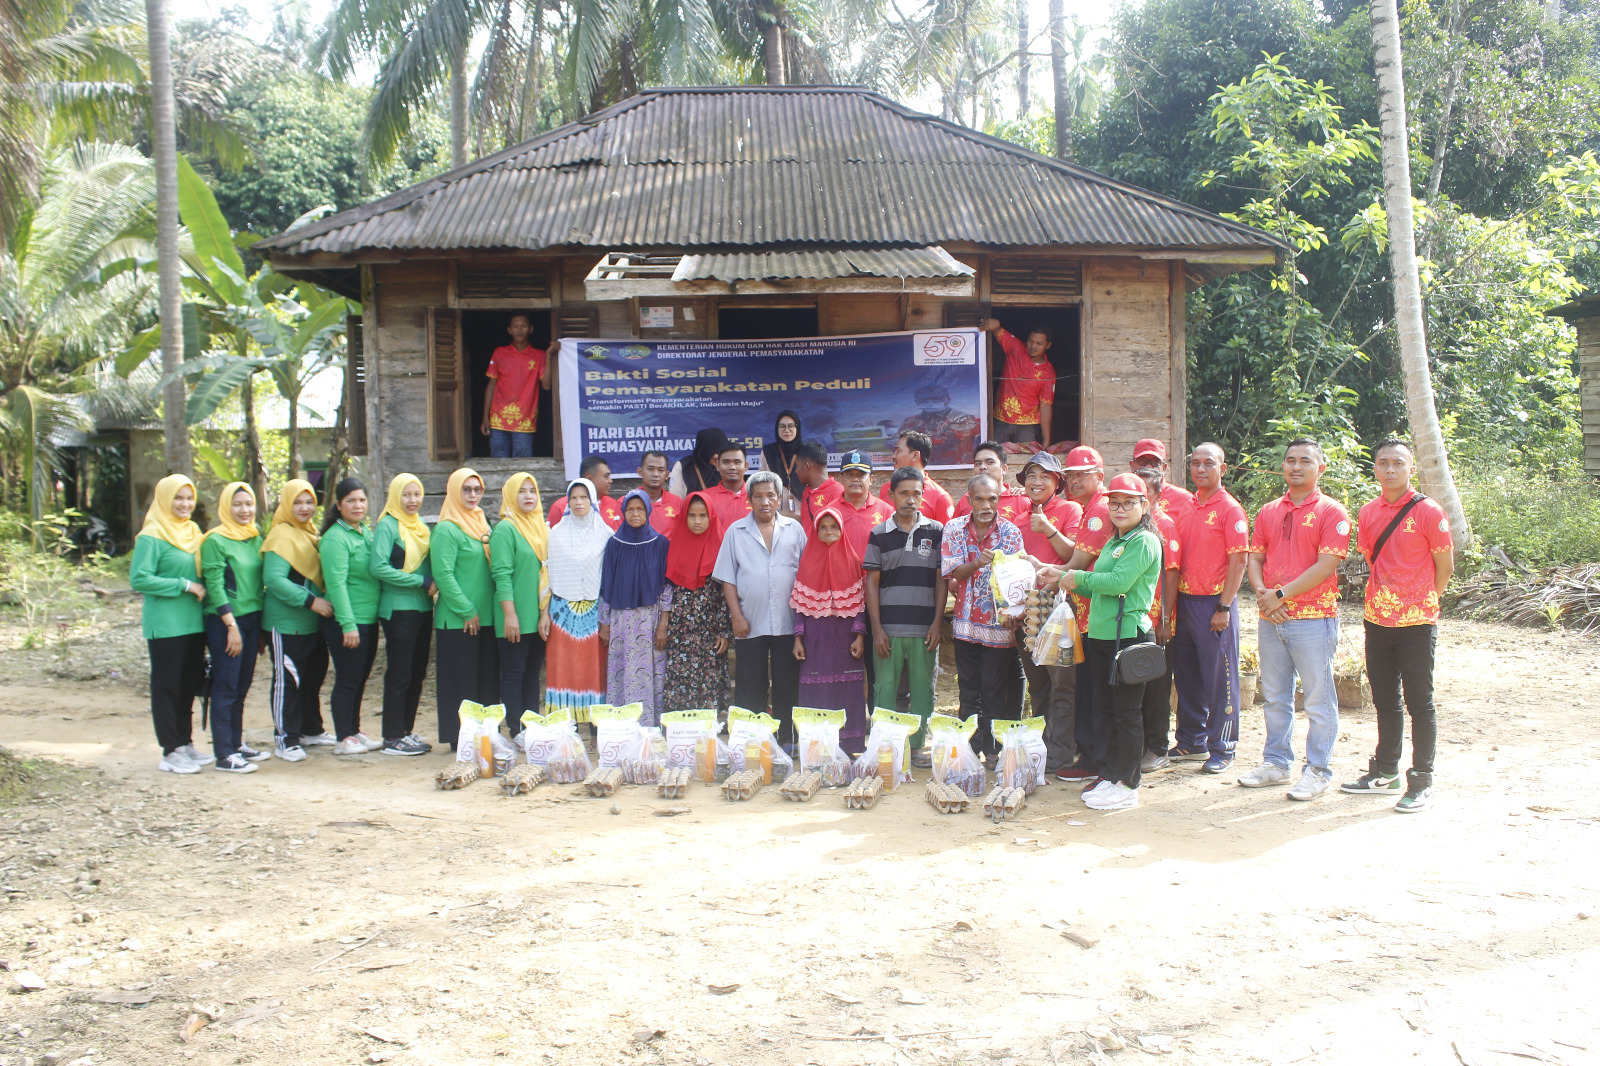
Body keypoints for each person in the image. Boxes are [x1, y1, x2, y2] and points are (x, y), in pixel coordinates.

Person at [1341, 438, 1454, 813]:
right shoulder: (1368, 512)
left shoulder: (1429, 511)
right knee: (1385, 699)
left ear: (1411, 469)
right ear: (1375, 468)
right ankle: (1386, 772)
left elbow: (1445, 567)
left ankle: (1421, 780)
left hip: (1417, 622)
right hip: (1377, 619)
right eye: (1383, 463)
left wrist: (1420, 601)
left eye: (1398, 463)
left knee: (1420, 702)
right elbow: (1373, 559)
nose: (1390, 469)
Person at [1240, 439, 1352, 800]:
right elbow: (1255, 558)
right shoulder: (1269, 511)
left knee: (1318, 700)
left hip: (1314, 619)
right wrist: (1264, 595)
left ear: (1321, 468)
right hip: (1272, 619)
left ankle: (1318, 771)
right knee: (1275, 697)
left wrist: (1279, 595)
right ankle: (1276, 763)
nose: (1296, 466)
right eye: (1290, 460)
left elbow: (1326, 565)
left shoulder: (1332, 512)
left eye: (1305, 460)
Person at [1058, 473, 1164, 811]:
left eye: (1128, 503)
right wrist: (1061, 578)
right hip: (1103, 636)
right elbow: (1096, 589)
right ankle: (1111, 774)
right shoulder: (1115, 541)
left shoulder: (1144, 541)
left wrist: (1078, 576)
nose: (1120, 509)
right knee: (1107, 710)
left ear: (1143, 506)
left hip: (1128, 636)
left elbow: (1118, 582)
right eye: (1115, 503)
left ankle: (1129, 784)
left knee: (1128, 713)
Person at [1169, 443, 1248, 774]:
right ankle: (1192, 739)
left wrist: (1224, 607)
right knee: (1187, 675)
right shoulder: (1188, 505)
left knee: (1220, 680)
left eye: (1209, 464)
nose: (1200, 469)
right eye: (1195, 463)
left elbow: (1239, 561)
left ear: (1222, 469)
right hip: (1185, 601)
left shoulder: (1230, 510)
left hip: (1214, 604)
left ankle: (1223, 747)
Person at [713, 470, 807, 746]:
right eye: (758, 497)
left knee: (786, 684)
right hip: (749, 622)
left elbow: (806, 574)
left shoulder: (794, 530)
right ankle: (750, 742)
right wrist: (736, 616)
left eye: (770, 496)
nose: (765, 502)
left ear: (779, 499)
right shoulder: (736, 532)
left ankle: (786, 741)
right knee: (750, 684)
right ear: (749, 500)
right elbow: (728, 578)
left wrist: (802, 625)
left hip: (788, 622)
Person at [864, 467, 945, 764]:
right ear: (891, 495)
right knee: (884, 689)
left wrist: (937, 623)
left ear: (923, 496)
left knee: (923, 690)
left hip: (925, 630)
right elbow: (871, 584)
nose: (910, 499)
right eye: (904, 493)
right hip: (889, 629)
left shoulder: (936, 531)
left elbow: (941, 580)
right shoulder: (879, 534)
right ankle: (885, 748)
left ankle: (917, 747)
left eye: (916, 494)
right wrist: (877, 629)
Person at [131, 474, 211, 774]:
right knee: (168, 686)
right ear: (165, 499)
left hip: (193, 622)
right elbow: (139, 578)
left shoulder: (194, 531)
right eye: (178, 497)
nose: (184, 504)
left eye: (189, 498)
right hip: (166, 624)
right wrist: (183, 585)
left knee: (188, 684)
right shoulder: (152, 534)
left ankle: (185, 743)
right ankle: (170, 750)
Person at [940, 474, 1025, 757]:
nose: (986, 505)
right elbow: (953, 571)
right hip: (965, 625)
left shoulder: (1011, 532)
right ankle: (968, 749)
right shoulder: (954, 529)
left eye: (992, 499)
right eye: (979, 499)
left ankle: (992, 750)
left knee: (994, 690)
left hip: (998, 627)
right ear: (969, 500)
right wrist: (977, 563)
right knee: (968, 690)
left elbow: (1017, 580)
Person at [1012, 452, 1081, 774]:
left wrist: (1049, 528)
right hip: (1027, 613)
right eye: (1031, 475)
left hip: (1059, 611)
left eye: (1045, 476)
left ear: (1057, 482)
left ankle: (1062, 753)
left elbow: (1075, 556)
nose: (1037, 482)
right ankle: (1042, 748)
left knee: (1062, 685)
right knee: (1038, 684)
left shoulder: (1070, 510)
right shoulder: (1017, 518)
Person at [261, 479, 335, 762]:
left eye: (309, 502)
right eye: (297, 503)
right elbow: (274, 579)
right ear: (285, 505)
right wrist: (311, 601)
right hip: (287, 623)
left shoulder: (309, 533)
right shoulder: (281, 536)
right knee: (288, 680)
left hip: (312, 624)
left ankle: (310, 730)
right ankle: (286, 739)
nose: (304, 508)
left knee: (312, 677)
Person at [1053, 445, 1114, 784]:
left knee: (1093, 691)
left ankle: (1093, 760)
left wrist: (1045, 571)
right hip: (1092, 612)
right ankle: (1093, 757)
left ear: (1099, 476)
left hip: (1096, 613)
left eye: (1082, 474)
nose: (1074, 480)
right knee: (1092, 689)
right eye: (1070, 475)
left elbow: (1077, 564)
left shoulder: (1097, 512)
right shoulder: (1092, 507)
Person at [198, 482, 267, 773]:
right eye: (237, 504)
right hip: (225, 622)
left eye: (248, 504)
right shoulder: (215, 540)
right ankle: (224, 754)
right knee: (225, 685)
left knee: (242, 685)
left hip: (252, 620)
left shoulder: (254, 536)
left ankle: (236, 743)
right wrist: (231, 625)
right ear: (226, 507)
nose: (244, 510)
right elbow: (214, 585)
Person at [791, 508, 869, 752]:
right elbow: (799, 607)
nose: (829, 531)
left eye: (834, 526)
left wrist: (859, 636)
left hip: (845, 641)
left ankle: (848, 745)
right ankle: (816, 747)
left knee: (847, 688)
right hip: (815, 641)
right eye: (823, 527)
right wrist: (798, 639)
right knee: (816, 688)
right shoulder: (807, 562)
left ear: (842, 530)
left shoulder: (853, 561)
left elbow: (860, 604)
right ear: (815, 531)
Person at [432, 468, 500, 747]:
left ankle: (485, 737)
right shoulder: (446, 529)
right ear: (454, 490)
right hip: (458, 619)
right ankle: (459, 739)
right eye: (466, 489)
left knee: (485, 681)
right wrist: (466, 610)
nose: (473, 495)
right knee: (460, 682)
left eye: (477, 489)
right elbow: (443, 575)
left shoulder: (483, 523)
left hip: (486, 617)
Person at [317, 478, 382, 756]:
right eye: (351, 500)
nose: (358, 505)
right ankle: (343, 737)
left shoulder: (364, 532)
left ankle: (354, 730)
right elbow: (336, 585)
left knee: (360, 677)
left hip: (367, 618)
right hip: (347, 621)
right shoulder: (335, 538)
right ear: (338, 505)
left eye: (362, 500)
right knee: (347, 679)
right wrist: (347, 624)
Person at [371, 474, 434, 756]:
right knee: (400, 673)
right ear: (396, 496)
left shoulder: (420, 526)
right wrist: (419, 581)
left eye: (416, 494)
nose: (412, 500)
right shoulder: (387, 525)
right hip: (398, 609)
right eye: (406, 495)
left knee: (417, 672)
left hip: (422, 608)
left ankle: (406, 731)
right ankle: (392, 736)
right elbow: (378, 567)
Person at [599, 490, 673, 726]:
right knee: (622, 671)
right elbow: (606, 585)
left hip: (650, 622)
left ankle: (650, 728)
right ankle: (622, 728)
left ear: (648, 511)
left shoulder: (660, 544)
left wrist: (663, 624)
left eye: (640, 509)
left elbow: (666, 587)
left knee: (650, 673)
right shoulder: (614, 544)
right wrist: (604, 623)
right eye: (630, 509)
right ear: (623, 513)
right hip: (621, 621)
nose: (635, 514)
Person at [545, 477, 613, 722]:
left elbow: (610, 579)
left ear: (593, 499)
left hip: (596, 613)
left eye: (584, 497)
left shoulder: (606, 534)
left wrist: (607, 618)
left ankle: (596, 729)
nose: (578, 502)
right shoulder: (556, 534)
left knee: (594, 669)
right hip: (562, 613)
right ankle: (565, 729)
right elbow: (549, 576)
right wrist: (544, 613)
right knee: (563, 669)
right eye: (573, 497)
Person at [662, 492, 733, 714]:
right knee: (680, 677)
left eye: (703, 515)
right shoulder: (674, 545)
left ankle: (708, 729)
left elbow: (726, 593)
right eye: (692, 515)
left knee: (708, 679)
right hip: (680, 629)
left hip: (710, 628)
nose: (697, 521)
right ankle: (682, 729)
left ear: (711, 517)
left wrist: (724, 631)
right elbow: (667, 590)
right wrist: (664, 623)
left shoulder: (722, 548)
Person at [491, 472, 551, 730]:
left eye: (532, 491)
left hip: (538, 615)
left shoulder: (541, 528)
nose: (529, 496)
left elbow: (548, 572)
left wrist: (545, 613)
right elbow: (501, 575)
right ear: (510, 495)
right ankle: (516, 729)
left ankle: (531, 726)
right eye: (522, 491)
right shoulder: (506, 529)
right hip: (514, 614)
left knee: (532, 674)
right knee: (514, 673)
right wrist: (510, 614)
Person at [1134, 466, 1183, 774]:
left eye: (1144, 493)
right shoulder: (1129, 527)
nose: (1138, 499)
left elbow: (1172, 575)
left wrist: (1164, 619)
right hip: (1134, 620)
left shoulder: (1164, 525)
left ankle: (1158, 747)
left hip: (1156, 622)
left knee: (1156, 689)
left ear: (1156, 495)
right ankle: (1138, 745)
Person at [480, 313, 551, 458]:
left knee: (523, 464)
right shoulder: (500, 353)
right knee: (498, 463)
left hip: (525, 420)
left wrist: (549, 355)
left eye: (523, 326)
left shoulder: (539, 356)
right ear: (509, 330)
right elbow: (491, 385)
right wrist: (485, 417)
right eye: (515, 326)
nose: (519, 330)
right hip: (498, 419)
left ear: (530, 329)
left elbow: (546, 385)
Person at [982, 318, 1055, 448]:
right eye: (1030, 341)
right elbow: (997, 330)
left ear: (1048, 345)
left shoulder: (1048, 372)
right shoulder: (1015, 348)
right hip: (1001, 421)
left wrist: (1046, 439)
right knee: (996, 457)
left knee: (1024, 459)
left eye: (1039, 343)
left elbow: (1045, 406)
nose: (1033, 346)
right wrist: (996, 324)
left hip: (1027, 427)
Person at [877, 431, 953, 523]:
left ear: (915, 455)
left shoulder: (940, 497)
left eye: (898, 451)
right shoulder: (886, 489)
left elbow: (945, 531)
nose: (893, 456)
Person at [899, 385, 981, 466]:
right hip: (918, 468)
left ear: (948, 399)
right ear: (917, 402)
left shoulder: (964, 419)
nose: (930, 403)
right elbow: (900, 443)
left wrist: (912, 442)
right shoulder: (909, 421)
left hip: (956, 468)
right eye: (924, 400)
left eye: (936, 399)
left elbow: (946, 442)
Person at [952, 442, 1030, 523]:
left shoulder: (1021, 501)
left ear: (1004, 469)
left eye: (990, 462)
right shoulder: (967, 499)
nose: (982, 467)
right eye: (978, 464)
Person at [836, 450, 894, 557]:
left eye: (861, 475)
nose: (855, 479)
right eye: (849, 475)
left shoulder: (886, 511)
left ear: (871, 479)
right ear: (841, 479)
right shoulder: (830, 511)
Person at [549, 455, 622, 528]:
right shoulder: (560, 506)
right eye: (606, 476)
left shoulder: (613, 504)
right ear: (589, 479)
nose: (610, 481)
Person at [1131, 438, 1193, 517]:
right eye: (1142, 461)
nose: (1148, 466)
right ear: (1132, 465)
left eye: (1155, 462)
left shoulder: (1184, 499)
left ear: (1164, 468)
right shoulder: (1121, 495)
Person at [793, 439, 844, 534]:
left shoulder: (838, 493)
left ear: (806, 466)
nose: (796, 471)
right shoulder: (807, 492)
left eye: (797, 466)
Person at [760, 410, 804, 516]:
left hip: (803, 513)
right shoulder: (768, 452)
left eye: (791, 426)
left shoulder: (806, 452)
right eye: (782, 426)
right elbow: (761, 483)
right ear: (777, 428)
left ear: (797, 428)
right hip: (776, 514)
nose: (787, 430)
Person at [670, 427, 733, 497]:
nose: (718, 457)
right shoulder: (683, 467)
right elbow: (676, 500)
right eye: (715, 452)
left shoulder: (729, 467)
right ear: (704, 450)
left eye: (722, 452)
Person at [704, 442, 755, 528]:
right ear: (717, 466)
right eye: (726, 462)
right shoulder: (705, 498)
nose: (732, 467)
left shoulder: (757, 496)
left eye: (737, 462)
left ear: (746, 466)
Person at [635, 450, 684, 534]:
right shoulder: (626, 502)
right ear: (640, 471)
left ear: (667, 475)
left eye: (660, 470)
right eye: (650, 469)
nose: (655, 474)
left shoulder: (677, 502)